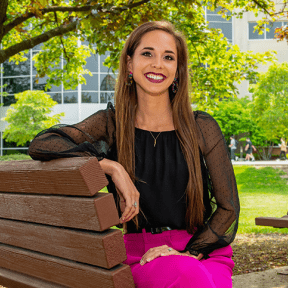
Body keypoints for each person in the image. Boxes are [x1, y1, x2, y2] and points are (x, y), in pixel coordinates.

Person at [28, 21, 240, 288]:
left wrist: (189, 252)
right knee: (189, 276)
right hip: (141, 255)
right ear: (129, 64)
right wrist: (112, 167)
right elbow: (43, 143)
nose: (158, 64)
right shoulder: (111, 124)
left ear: (178, 70)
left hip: (202, 250)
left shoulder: (201, 127)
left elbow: (228, 207)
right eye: (147, 53)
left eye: (168, 57)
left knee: (197, 276)